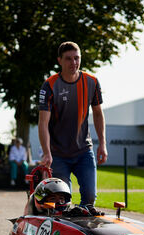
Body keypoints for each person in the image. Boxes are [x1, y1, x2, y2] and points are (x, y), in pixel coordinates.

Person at [37, 41, 108, 208]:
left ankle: (83, 230)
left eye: (77, 58)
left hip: (83, 151)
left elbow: (98, 114)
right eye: (68, 59)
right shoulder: (49, 85)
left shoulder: (92, 82)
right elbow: (43, 122)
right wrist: (47, 153)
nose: (73, 63)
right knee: (62, 201)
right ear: (59, 60)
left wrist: (102, 144)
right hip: (58, 153)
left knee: (90, 198)